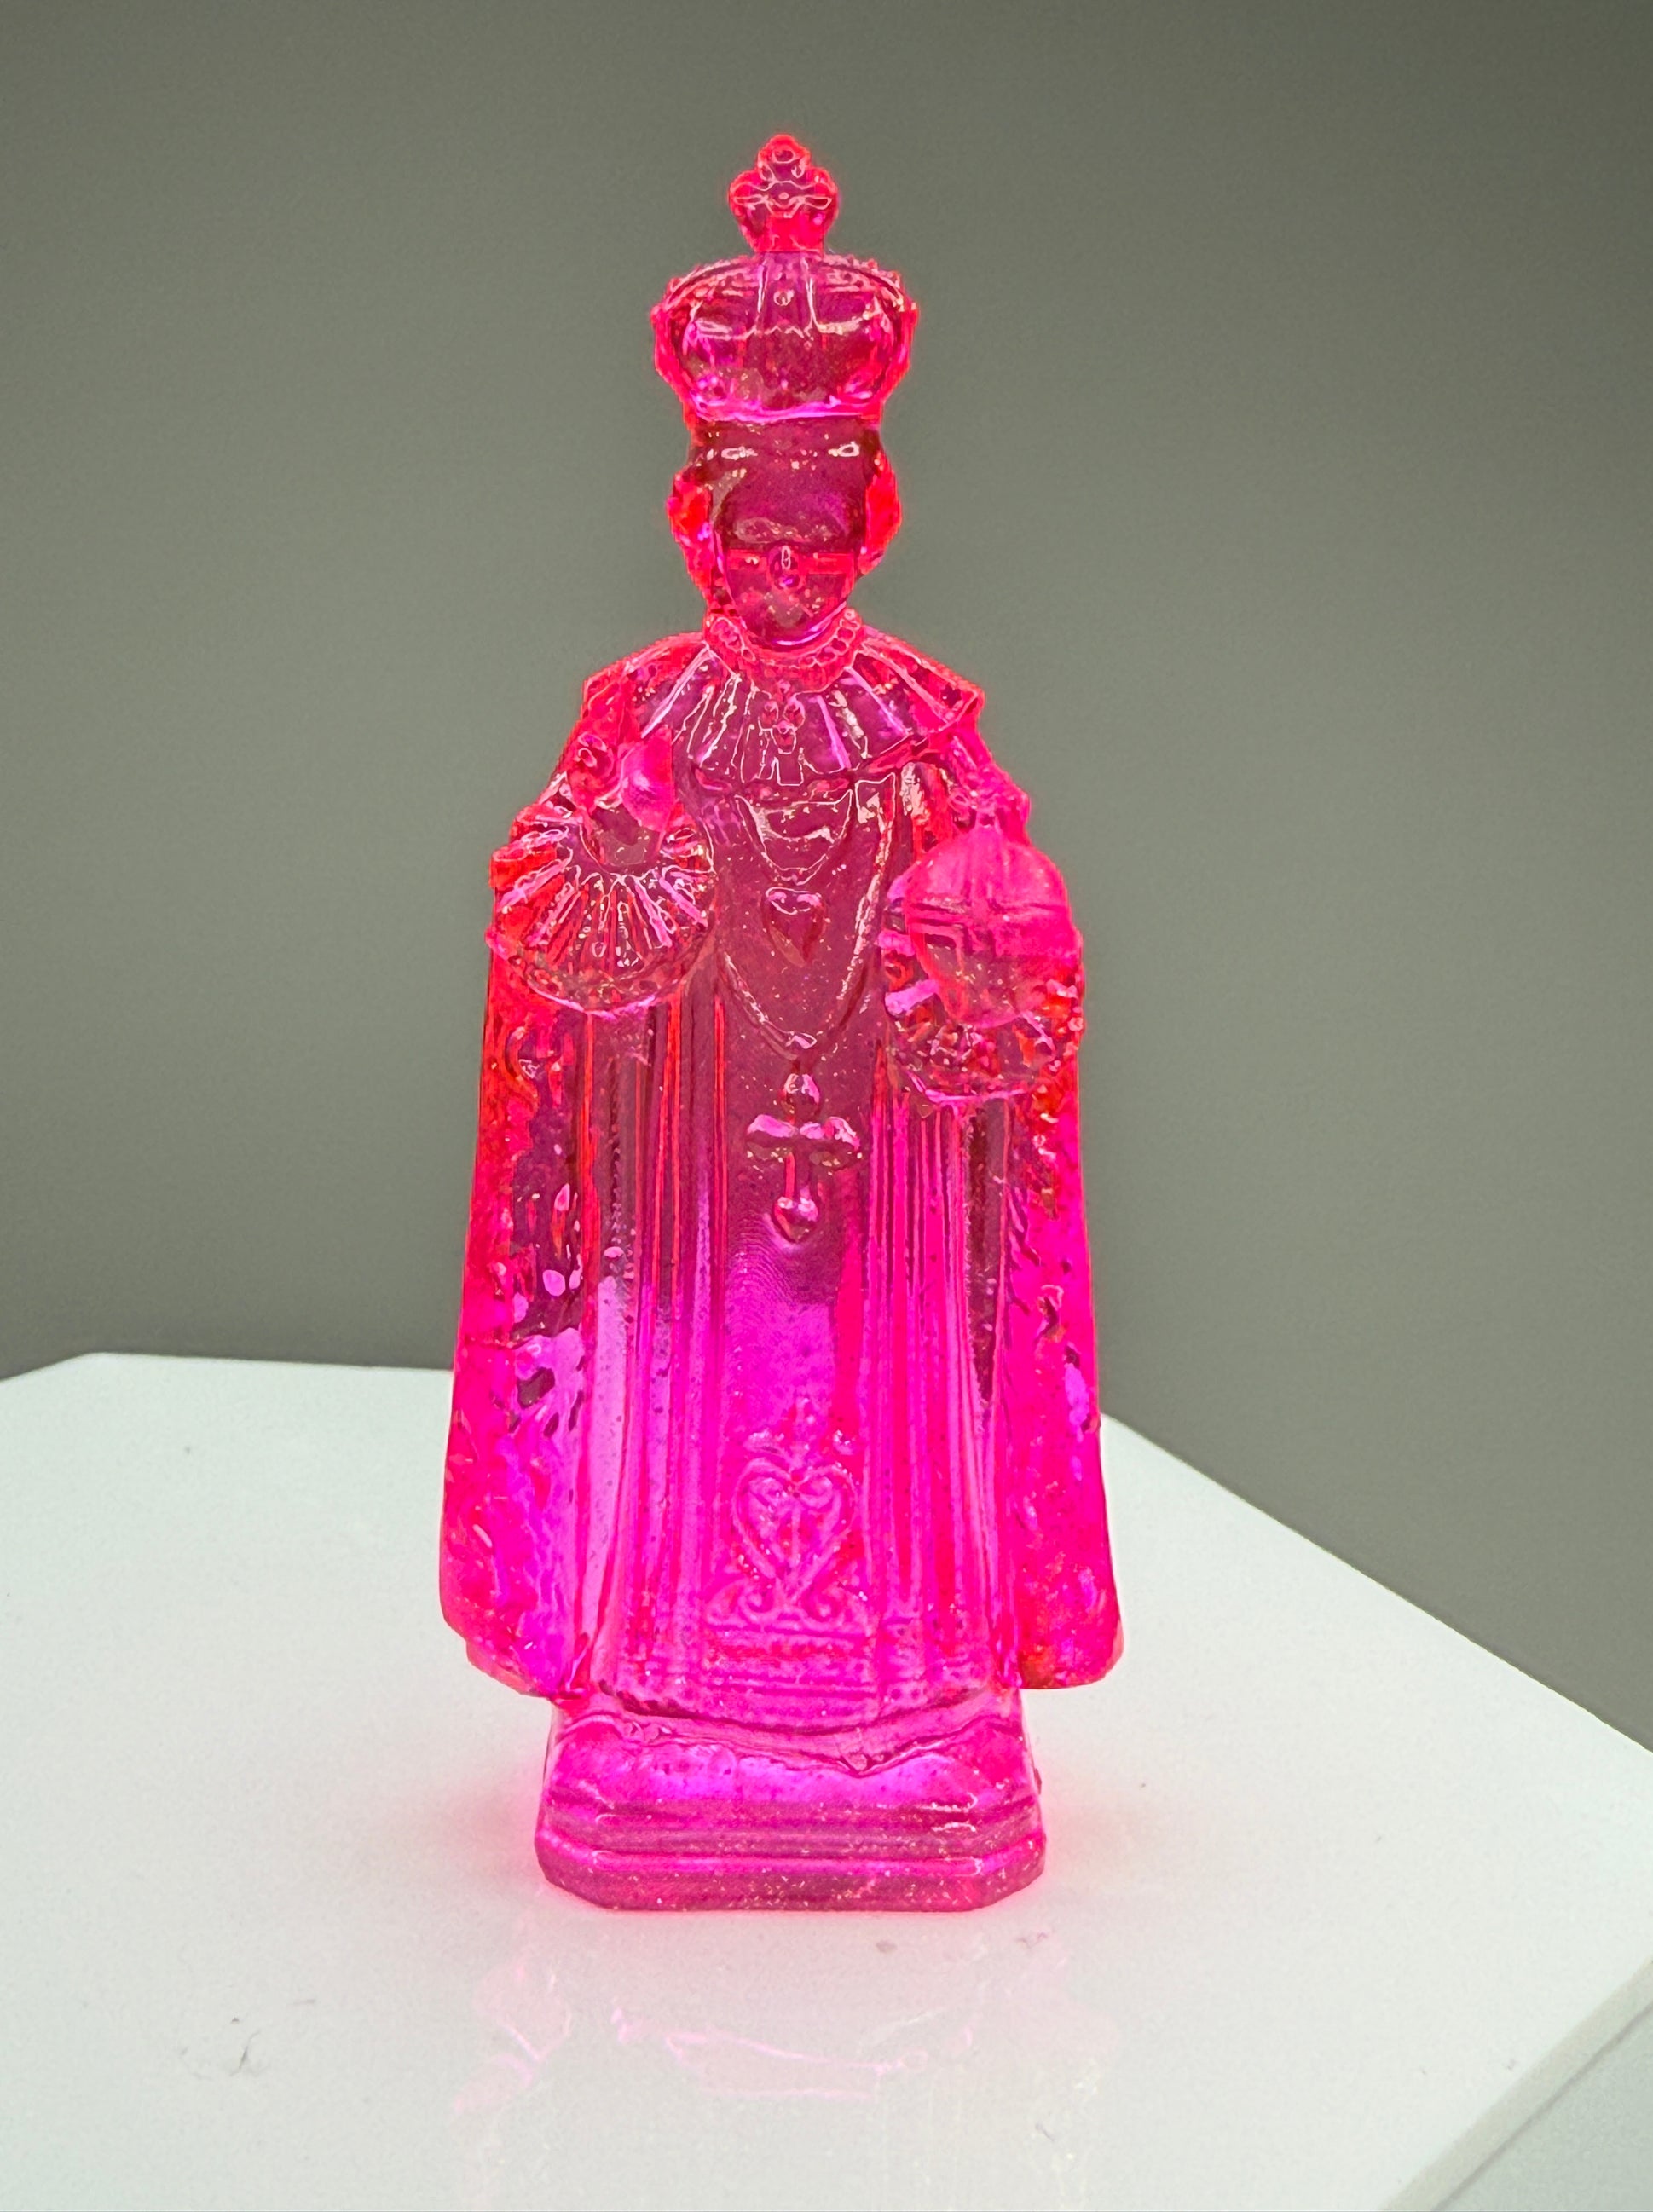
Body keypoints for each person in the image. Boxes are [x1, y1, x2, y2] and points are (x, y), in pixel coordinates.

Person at [442, 137, 1119, 1909]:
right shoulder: (638, 712)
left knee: (894, 1432)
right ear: (704, 527)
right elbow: (554, 921)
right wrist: (605, 874)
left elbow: (1005, 943)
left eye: (819, 531)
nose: (787, 565)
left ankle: (912, 1710)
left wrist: (984, 923)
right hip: (682, 1194)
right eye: (756, 531)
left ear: (864, 525)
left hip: (889, 1199)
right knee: (676, 1410)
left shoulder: (923, 719)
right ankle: (660, 1699)